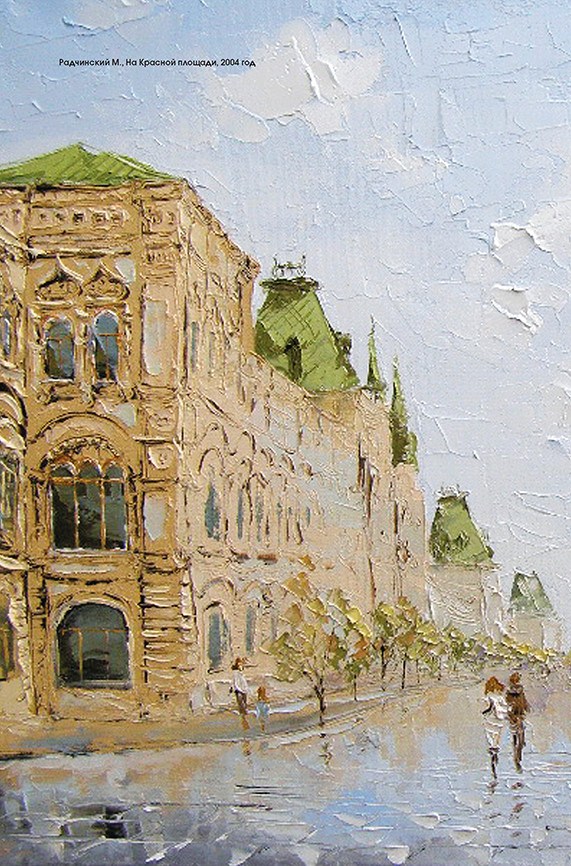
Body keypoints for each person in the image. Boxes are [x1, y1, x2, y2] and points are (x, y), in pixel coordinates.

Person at [482, 676, 508, 779]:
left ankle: (493, 760)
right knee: (496, 738)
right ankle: (495, 759)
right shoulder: (500, 697)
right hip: (498, 720)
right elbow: (505, 708)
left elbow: (485, 708)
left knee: (490, 738)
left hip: (489, 720)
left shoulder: (488, 696)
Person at [506, 672, 529, 772]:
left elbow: (507, 703)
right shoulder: (520, 690)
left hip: (512, 717)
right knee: (520, 740)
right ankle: (517, 758)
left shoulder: (508, 692)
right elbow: (524, 703)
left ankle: (516, 757)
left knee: (515, 738)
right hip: (518, 716)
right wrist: (525, 709)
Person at [231, 657, 249, 730]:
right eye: (239, 664)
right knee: (240, 702)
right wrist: (237, 688)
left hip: (244, 689)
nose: (241, 666)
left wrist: (245, 689)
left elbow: (244, 682)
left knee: (244, 702)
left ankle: (244, 715)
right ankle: (242, 716)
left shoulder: (241, 673)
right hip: (238, 690)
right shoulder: (235, 673)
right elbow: (235, 682)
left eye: (241, 664)